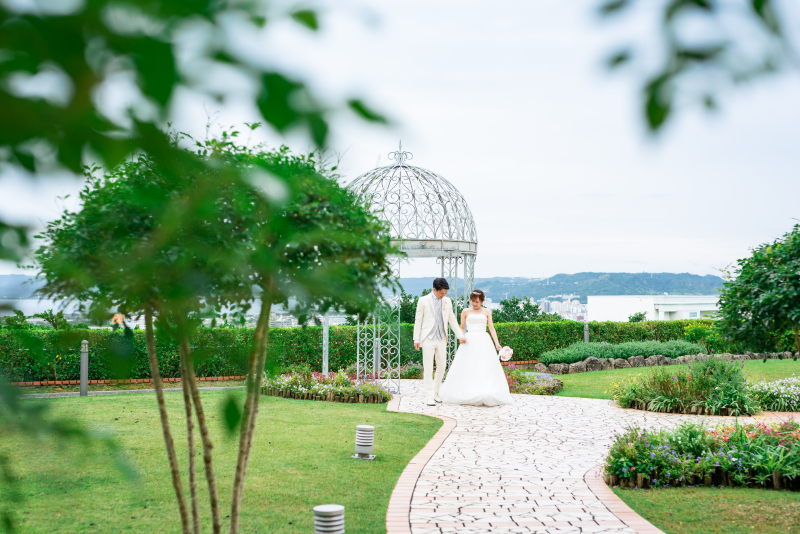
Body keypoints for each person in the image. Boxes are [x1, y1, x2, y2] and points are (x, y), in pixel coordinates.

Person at [439, 289, 513, 406]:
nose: (474, 304)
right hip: (469, 341)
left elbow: (492, 328)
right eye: (473, 301)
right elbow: (462, 327)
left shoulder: (487, 312)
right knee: (468, 366)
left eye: (477, 301)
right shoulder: (465, 311)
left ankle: (485, 390)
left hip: (484, 340)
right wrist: (461, 337)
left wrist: (496, 343)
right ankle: (467, 392)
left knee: (484, 366)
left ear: (482, 301)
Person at [413, 278, 466, 406]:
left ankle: (436, 392)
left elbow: (452, 319)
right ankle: (429, 395)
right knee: (428, 367)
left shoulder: (447, 301)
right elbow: (418, 320)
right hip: (428, 338)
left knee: (442, 366)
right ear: (434, 290)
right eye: (441, 293)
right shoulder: (423, 300)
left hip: (442, 338)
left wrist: (460, 336)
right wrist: (416, 338)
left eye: (445, 293)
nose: (443, 296)